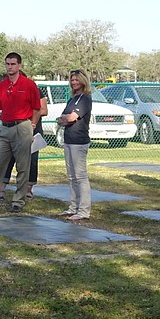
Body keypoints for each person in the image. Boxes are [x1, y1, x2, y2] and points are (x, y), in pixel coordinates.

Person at [0, 52, 43, 213]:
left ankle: (18, 200)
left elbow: (37, 107)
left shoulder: (29, 85)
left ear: (19, 66)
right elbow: (2, 107)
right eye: (7, 64)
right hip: (5, 127)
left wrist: (32, 123)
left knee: (23, 166)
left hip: (22, 126)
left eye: (13, 64)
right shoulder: (1, 86)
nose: (9, 67)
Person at [57, 69, 94, 221]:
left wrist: (67, 118)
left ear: (83, 81)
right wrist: (66, 119)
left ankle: (84, 210)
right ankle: (74, 207)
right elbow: (61, 119)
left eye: (77, 80)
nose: (74, 82)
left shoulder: (85, 99)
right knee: (71, 177)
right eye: (72, 80)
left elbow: (72, 118)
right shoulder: (72, 99)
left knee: (80, 176)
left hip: (79, 142)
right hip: (68, 139)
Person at [3, 83, 48, 197]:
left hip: (33, 130)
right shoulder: (10, 91)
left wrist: (28, 113)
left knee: (32, 160)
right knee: (9, 158)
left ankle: (28, 188)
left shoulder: (36, 91)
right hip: (15, 130)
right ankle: (2, 187)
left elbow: (44, 110)